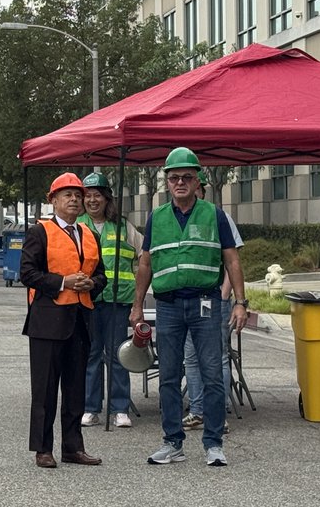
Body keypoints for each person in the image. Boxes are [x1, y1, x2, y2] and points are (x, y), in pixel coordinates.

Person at [129, 148, 247, 468]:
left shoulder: (215, 215)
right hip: (168, 306)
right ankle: (172, 442)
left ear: (198, 181)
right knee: (168, 375)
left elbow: (232, 259)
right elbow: (146, 263)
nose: (180, 182)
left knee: (211, 373)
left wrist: (240, 302)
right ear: (166, 182)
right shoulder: (157, 217)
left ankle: (213, 443)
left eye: (187, 177)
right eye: (174, 177)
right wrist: (137, 305)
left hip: (206, 302)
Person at [19, 172, 106, 469]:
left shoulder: (90, 234)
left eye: (77, 195)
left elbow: (102, 274)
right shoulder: (39, 232)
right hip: (48, 320)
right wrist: (63, 282)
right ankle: (43, 448)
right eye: (67, 194)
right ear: (53, 200)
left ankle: (73, 446)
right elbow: (27, 273)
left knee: (75, 387)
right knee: (44, 389)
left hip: (81, 318)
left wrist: (92, 284)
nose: (74, 199)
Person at [77, 172, 137, 430]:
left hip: (117, 300)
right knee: (90, 355)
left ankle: (120, 408)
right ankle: (90, 408)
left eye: (97, 195)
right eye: (87, 196)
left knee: (117, 355)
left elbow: (146, 254)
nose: (92, 201)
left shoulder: (122, 226)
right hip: (85, 300)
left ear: (106, 198)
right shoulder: (76, 226)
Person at [183, 182, 243, 433]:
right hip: (186, 301)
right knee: (192, 357)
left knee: (216, 357)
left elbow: (232, 259)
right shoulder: (175, 218)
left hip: (213, 299)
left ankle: (218, 413)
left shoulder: (219, 217)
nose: (186, 190)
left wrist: (227, 294)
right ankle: (197, 411)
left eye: (192, 186)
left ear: (201, 191)